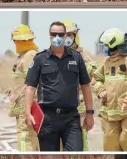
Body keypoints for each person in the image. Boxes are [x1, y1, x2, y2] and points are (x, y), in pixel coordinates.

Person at [24, 21, 94, 152]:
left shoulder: (76, 57)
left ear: (65, 36)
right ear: (49, 36)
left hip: (71, 118)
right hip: (47, 118)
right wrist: (28, 113)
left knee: (75, 156)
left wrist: (90, 113)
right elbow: (30, 87)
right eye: (54, 34)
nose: (57, 37)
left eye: (60, 34)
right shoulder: (40, 59)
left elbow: (85, 85)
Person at [94, 27, 127, 152]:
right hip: (110, 113)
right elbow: (95, 79)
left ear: (113, 45)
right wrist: (101, 91)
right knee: (110, 145)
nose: (104, 48)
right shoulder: (106, 62)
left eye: (106, 45)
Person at [61, 19, 100, 152]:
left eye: (70, 35)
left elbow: (95, 77)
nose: (67, 38)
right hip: (59, 107)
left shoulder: (84, 54)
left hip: (80, 106)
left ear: (75, 36)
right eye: (64, 35)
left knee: (79, 141)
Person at [8, 24, 39, 152]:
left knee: (26, 141)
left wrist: (28, 110)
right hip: (23, 108)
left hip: (27, 109)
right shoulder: (24, 56)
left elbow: (33, 84)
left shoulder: (30, 56)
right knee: (28, 140)